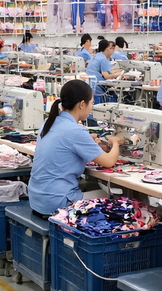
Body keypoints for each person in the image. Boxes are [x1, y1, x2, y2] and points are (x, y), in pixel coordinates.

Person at [28, 79, 123, 217]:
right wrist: (115, 142)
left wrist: (88, 141)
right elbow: (109, 161)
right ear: (82, 104)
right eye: (92, 103)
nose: (92, 107)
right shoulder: (76, 131)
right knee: (115, 198)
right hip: (57, 202)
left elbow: (66, 143)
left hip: (37, 199)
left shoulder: (48, 122)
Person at [86, 39, 122, 103]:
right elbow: (106, 76)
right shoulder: (103, 59)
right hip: (97, 86)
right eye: (112, 49)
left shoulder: (97, 56)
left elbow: (108, 70)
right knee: (113, 96)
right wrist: (119, 74)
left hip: (90, 83)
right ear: (108, 48)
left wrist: (116, 71)